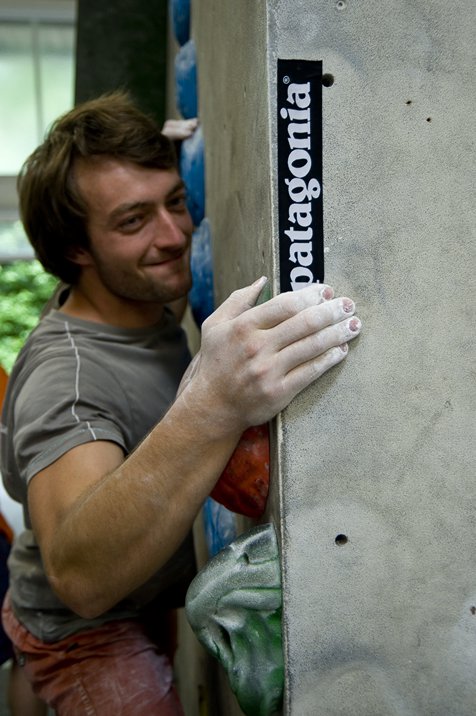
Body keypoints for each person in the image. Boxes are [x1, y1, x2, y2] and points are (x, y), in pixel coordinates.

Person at [0, 92, 362, 715]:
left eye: (175, 201)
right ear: (76, 250)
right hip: (87, 630)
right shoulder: (67, 379)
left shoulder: (133, 297)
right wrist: (214, 404)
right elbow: (81, 578)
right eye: (133, 221)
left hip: (145, 596)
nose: (173, 235)